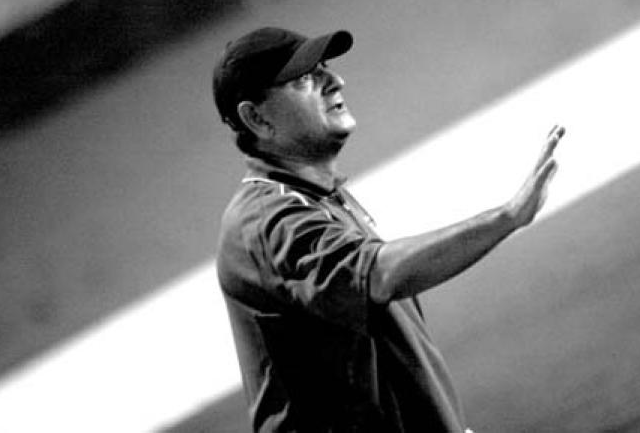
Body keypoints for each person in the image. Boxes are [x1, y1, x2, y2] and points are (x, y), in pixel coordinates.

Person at [212, 26, 564, 432]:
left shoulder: (318, 197)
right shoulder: (268, 224)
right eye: (305, 78)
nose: (335, 81)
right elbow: (378, 275)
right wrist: (507, 218)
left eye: (325, 67)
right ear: (256, 118)